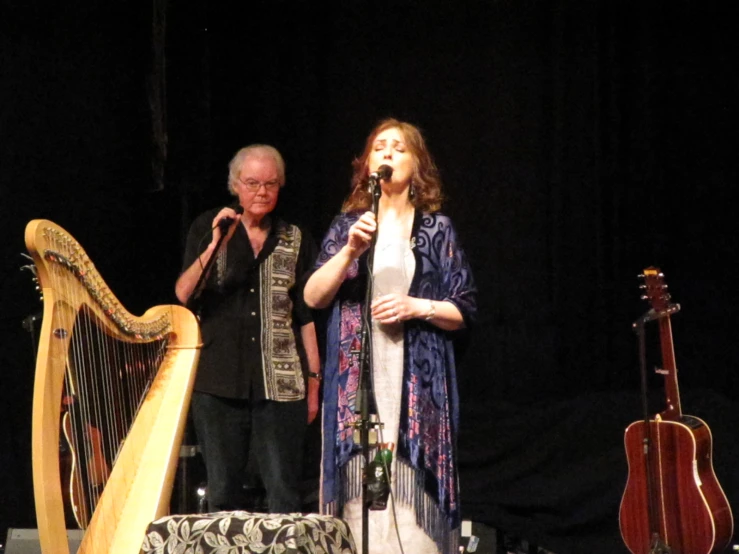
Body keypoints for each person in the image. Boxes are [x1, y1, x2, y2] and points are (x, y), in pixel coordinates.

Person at [304, 119, 477, 553]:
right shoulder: (349, 226)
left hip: (416, 378)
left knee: (410, 498)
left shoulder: (437, 230)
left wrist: (417, 306)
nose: (387, 154)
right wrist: (349, 250)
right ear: (366, 165)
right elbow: (312, 296)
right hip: (359, 377)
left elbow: (464, 308)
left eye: (398, 148)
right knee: (362, 493)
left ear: (416, 164)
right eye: (379, 147)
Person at [175, 144, 320, 513]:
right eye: (252, 183)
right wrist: (215, 243)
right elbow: (184, 294)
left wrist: (315, 381)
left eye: (271, 183)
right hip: (218, 383)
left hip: (282, 384)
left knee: (284, 493)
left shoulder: (295, 236)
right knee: (222, 492)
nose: (262, 191)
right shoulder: (210, 226)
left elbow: (305, 313)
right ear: (235, 185)